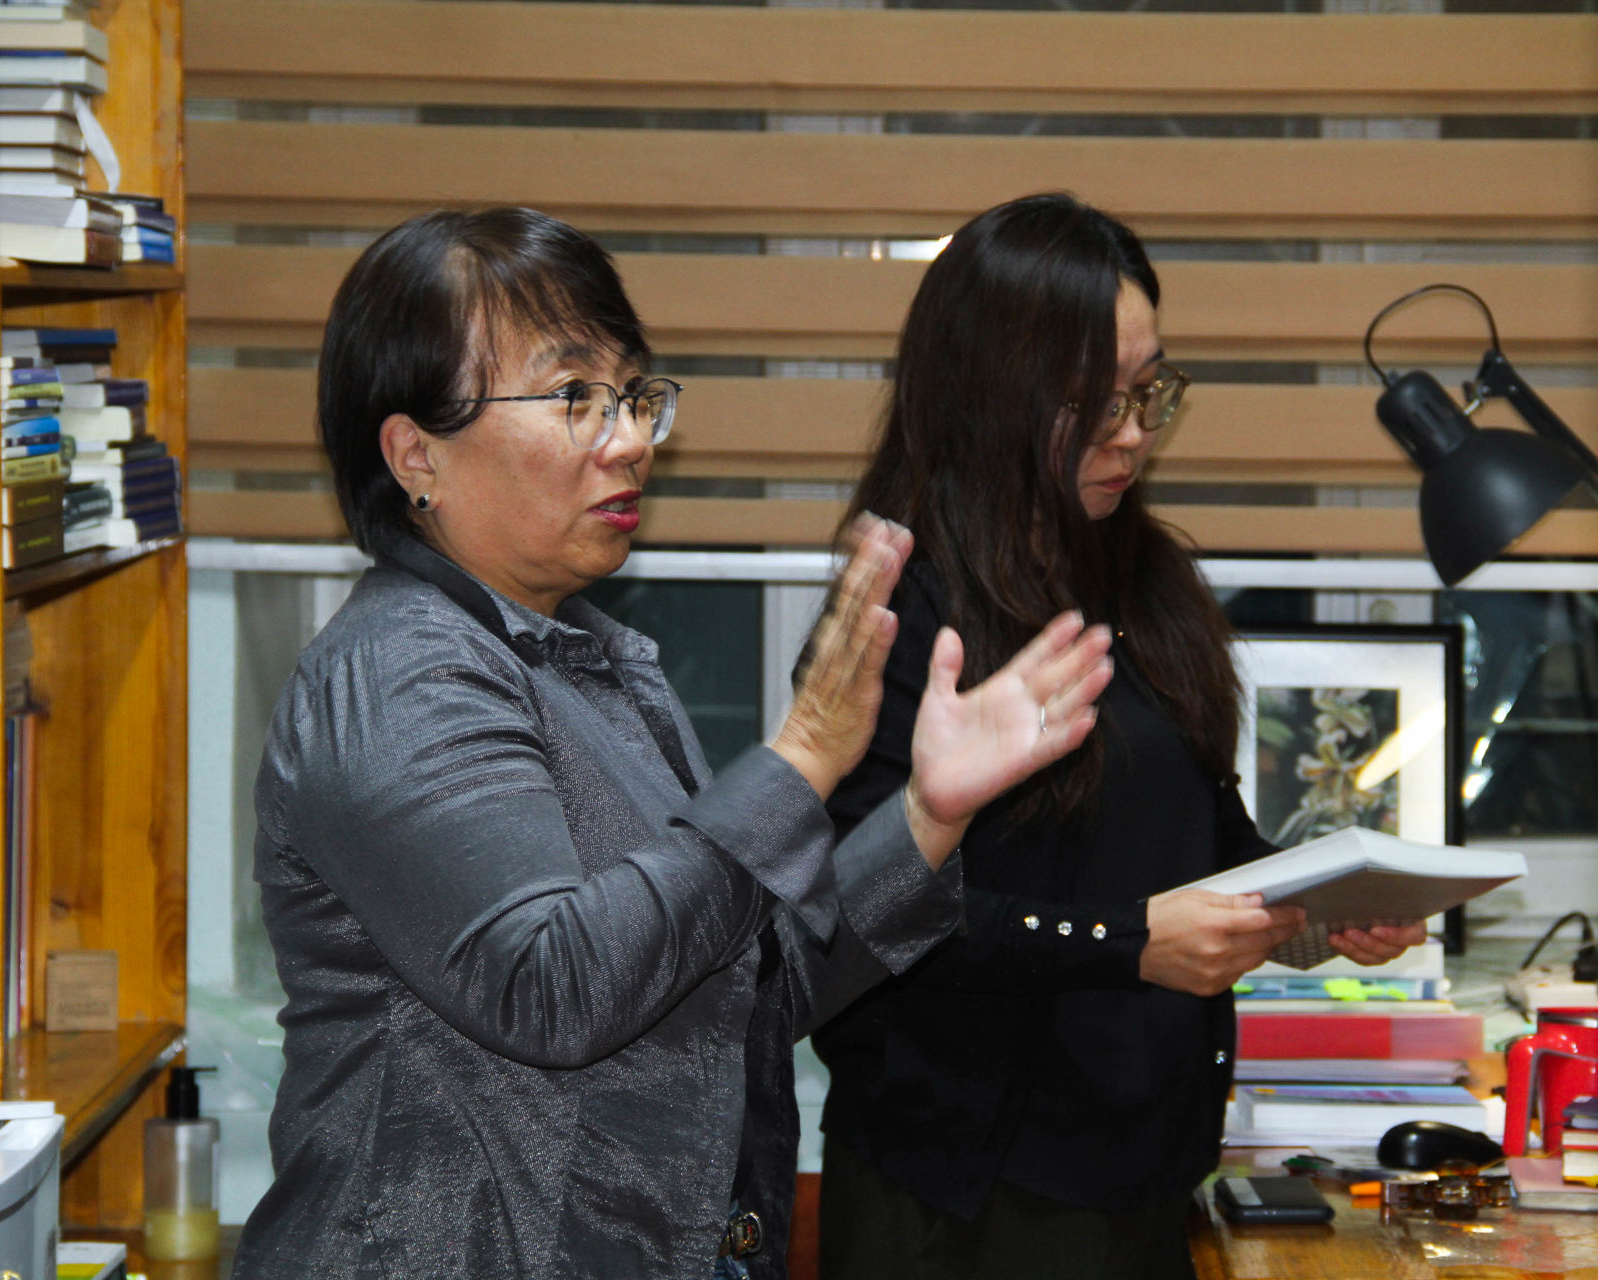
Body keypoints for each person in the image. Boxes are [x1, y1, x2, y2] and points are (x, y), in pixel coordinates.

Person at [230, 207, 1114, 1280]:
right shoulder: (398, 670)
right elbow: (552, 984)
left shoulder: (590, 661)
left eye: (633, 395)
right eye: (574, 398)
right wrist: (801, 757)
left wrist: (930, 812)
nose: (632, 440)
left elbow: (748, 987)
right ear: (417, 454)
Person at [811, 193, 1427, 1280]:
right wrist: (1127, 940)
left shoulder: (1147, 577)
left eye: (1148, 392)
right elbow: (860, 920)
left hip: (1145, 1169)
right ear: (991, 396)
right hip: (970, 1192)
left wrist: (1320, 905)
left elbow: (1203, 840)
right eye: (1092, 403)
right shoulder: (906, 604)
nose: (1134, 432)